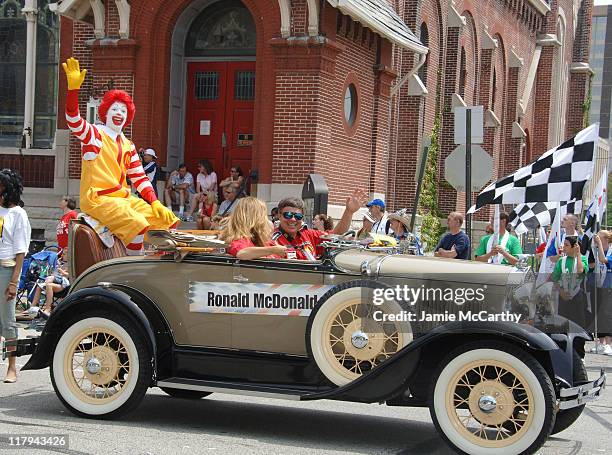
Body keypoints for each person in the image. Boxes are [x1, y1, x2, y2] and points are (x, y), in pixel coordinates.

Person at [62, 57, 178, 255]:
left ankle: (159, 266)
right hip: (98, 198)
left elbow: (140, 178)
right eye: (114, 109)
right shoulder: (95, 134)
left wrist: (155, 202)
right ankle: (131, 267)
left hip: (124, 199)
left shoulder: (128, 144)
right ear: (105, 112)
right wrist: (73, 91)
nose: (119, 113)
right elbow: (73, 120)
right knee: (138, 224)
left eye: (123, 110)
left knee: (167, 220)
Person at [271, 190, 367, 260]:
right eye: (287, 215)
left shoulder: (309, 235)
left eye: (298, 216)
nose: (292, 219)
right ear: (279, 216)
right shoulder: (271, 240)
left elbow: (336, 235)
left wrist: (349, 212)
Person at [0, 169, 31, 383]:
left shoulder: (18, 214)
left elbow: (21, 251)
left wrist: (14, 282)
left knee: (8, 321)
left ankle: (12, 367)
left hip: (6, 269)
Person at [222, 197, 287, 260]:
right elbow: (242, 253)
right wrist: (273, 250)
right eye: (263, 215)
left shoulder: (262, 238)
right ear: (255, 218)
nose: (266, 219)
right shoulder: (239, 239)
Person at [552, 236, 589, 330]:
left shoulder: (583, 259)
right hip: (563, 295)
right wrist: (561, 292)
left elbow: (580, 270)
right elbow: (555, 278)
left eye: (566, 245)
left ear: (574, 247)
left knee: (578, 323)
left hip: (577, 295)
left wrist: (578, 254)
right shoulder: (561, 261)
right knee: (563, 323)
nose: (563, 247)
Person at [591, 230, 612, 355]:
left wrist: (598, 244)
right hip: (599, 284)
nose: (596, 238)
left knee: (607, 313)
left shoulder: (610, 251)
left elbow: (603, 260)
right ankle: (601, 341)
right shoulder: (596, 249)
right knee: (598, 313)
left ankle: (609, 343)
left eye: (599, 237)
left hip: (609, 286)